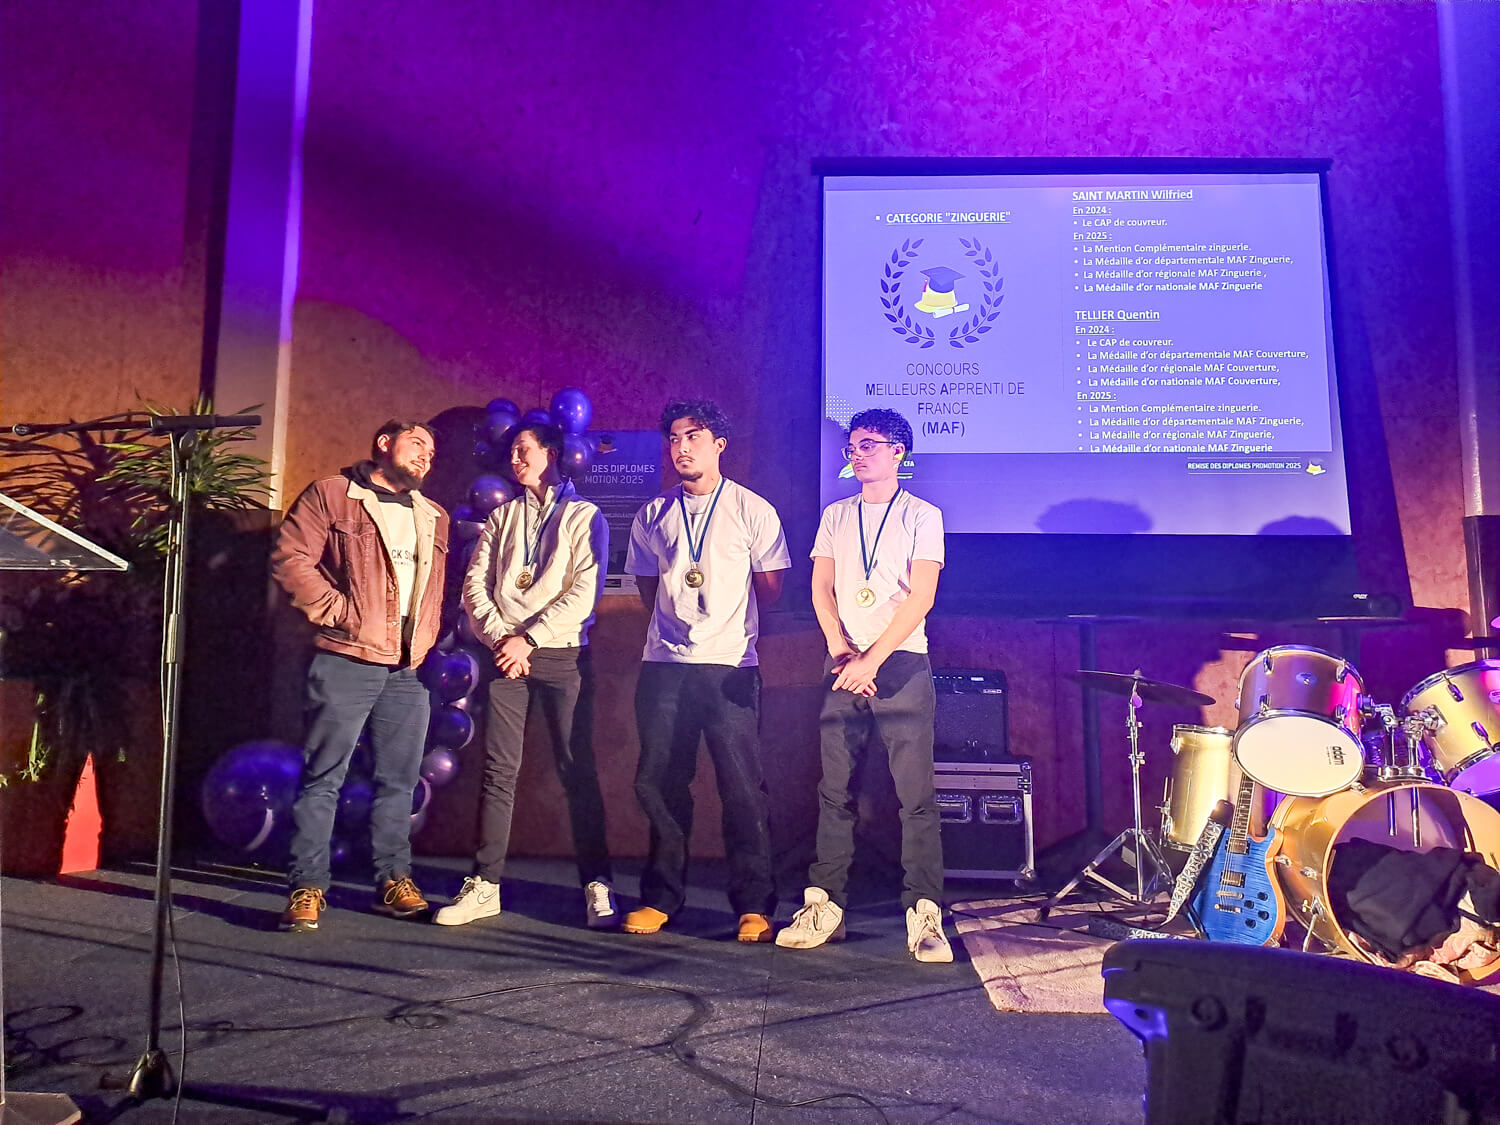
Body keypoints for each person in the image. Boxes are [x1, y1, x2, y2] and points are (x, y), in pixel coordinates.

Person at [775, 408, 952, 962]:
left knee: (915, 797)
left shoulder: (922, 515)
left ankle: (925, 913)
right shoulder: (836, 514)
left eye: (869, 444)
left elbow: (922, 596)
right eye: (852, 445)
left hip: (900, 662)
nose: (857, 454)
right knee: (834, 791)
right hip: (843, 662)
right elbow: (820, 589)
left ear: (898, 451)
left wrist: (872, 660)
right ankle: (824, 904)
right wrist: (839, 651)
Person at [270, 420, 449, 932]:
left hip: (407, 668)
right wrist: (340, 612)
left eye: (432, 450)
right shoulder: (333, 494)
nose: (426, 455)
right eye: (417, 443)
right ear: (384, 444)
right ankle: (307, 887)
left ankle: (393, 880)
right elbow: (290, 557)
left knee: (399, 782)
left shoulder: (433, 514)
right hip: (346, 658)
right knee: (324, 777)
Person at [436, 423, 617, 928]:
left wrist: (529, 639)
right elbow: (475, 585)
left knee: (577, 769)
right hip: (504, 657)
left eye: (524, 450)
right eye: (512, 452)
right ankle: (485, 884)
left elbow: (584, 592)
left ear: (551, 454)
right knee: (499, 771)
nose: (515, 459)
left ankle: (597, 883)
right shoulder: (502, 516)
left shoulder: (585, 515)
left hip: (561, 656)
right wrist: (503, 640)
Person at [622, 400, 790, 941]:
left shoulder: (752, 509)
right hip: (664, 666)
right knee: (660, 783)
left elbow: (770, 588)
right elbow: (647, 586)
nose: (681, 447)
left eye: (693, 436)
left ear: (719, 444)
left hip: (730, 666)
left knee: (741, 789)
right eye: (673, 438)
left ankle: (754, 905)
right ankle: (661, 898)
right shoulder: (653, 513)